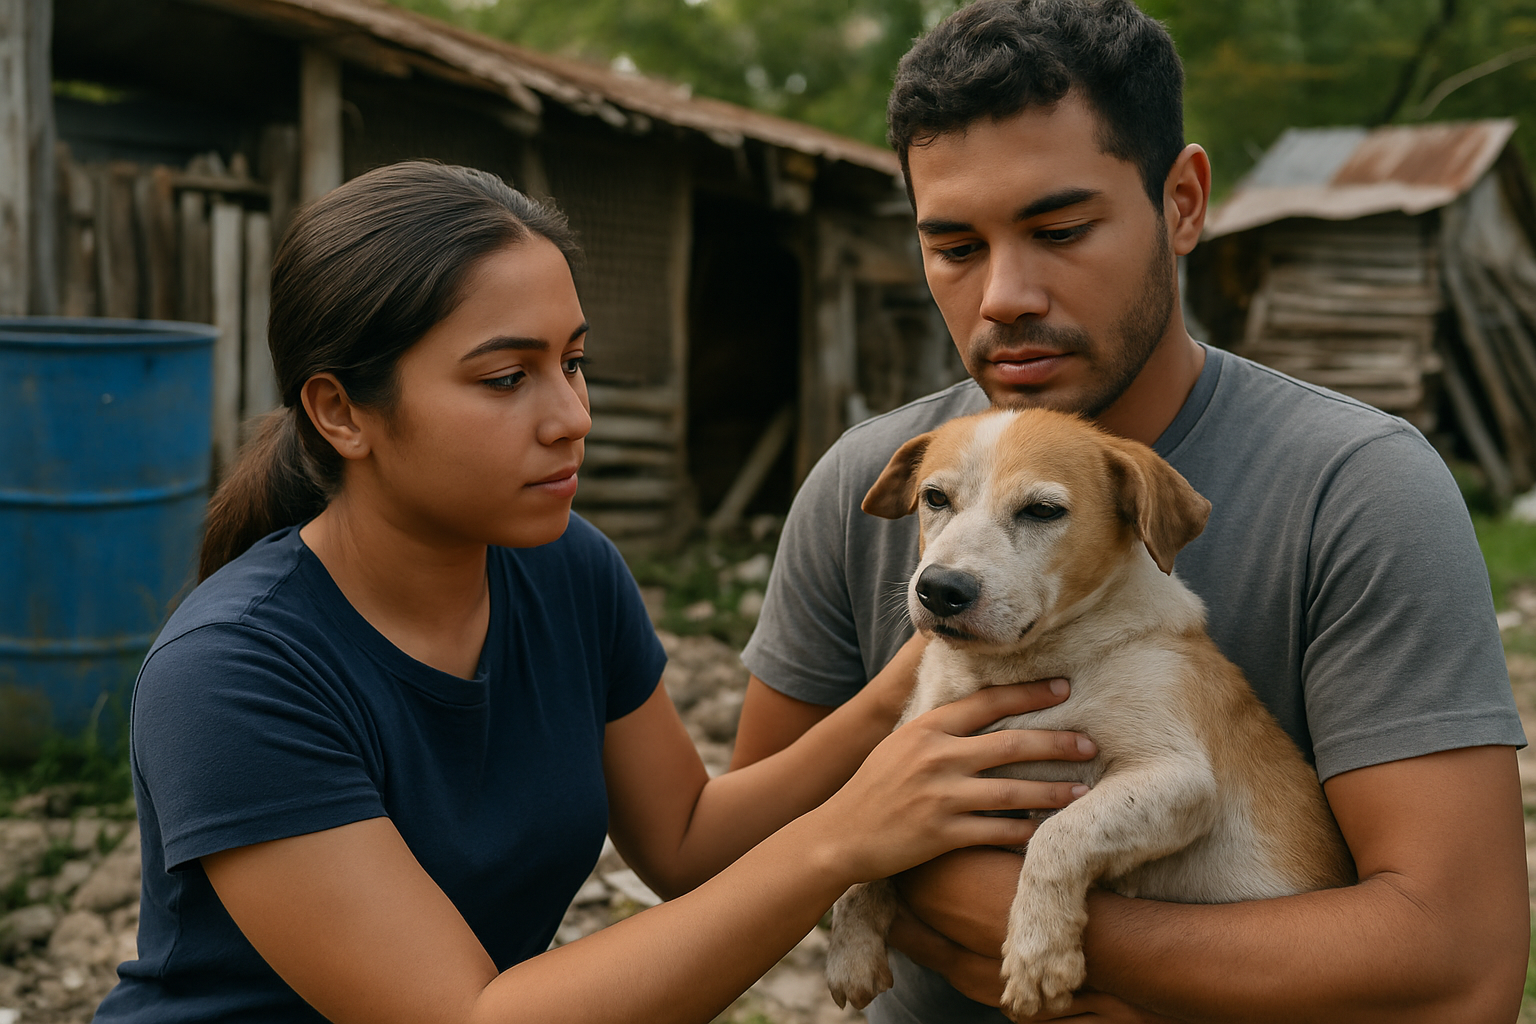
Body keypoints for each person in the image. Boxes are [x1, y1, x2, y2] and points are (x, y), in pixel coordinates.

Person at [91, 161, 1103, 1024]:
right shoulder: (234, 674)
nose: (572, 415)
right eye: (506, 378)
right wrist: (844, 837)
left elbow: (688, 844)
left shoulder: (563, 569)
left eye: (573, 362)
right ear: (341, 412)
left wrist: (909, 686)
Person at [735, 2, 1528, 1021]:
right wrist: (868, 862)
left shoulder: (1360, 489)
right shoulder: (866, 477)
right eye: (956, 246)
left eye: (1061, 231)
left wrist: (1043, 930)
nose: (1005, 295)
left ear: (1183, 204)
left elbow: (1465, 968)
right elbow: (746, 864)